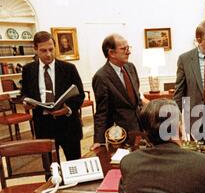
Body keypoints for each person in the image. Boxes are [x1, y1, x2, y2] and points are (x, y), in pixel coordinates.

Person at [21, 31, 84, 160]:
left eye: (51, 49)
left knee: (74, 165)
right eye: (43, 51)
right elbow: (24, 93)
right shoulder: (28, 70)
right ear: (35, 49)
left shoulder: (69, 68)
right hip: (43, 126)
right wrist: (26, 102)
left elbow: (80, 94)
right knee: (50, 170)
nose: (48, 54)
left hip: (68, 124)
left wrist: (68, 109)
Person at [91, 34, 148, 150]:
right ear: (111, 53)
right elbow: (102, 112)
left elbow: (136, 96)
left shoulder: (130, 67)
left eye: (128, 48)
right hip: (119, 135)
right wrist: (99, 140)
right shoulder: (101, 77)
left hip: (140, 127)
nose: (128, 52)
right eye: (124, 49)